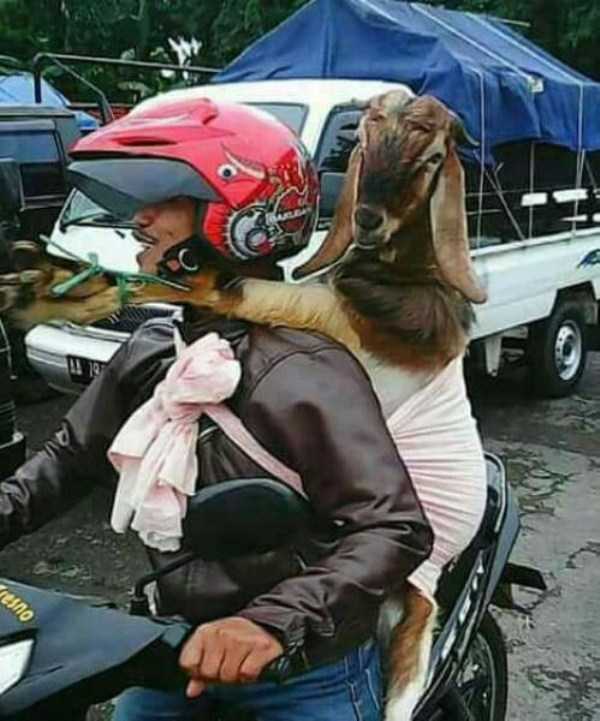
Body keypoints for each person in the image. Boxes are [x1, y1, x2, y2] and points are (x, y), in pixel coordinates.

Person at [0, 98, 432, 721]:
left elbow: (394, 526)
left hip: (302, 668)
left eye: (166, 200)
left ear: (238, 218)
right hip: (173, 646)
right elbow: (68, 460)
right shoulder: (156, 348)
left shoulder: (302, 369)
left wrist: (270, 622)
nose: (141, 219)